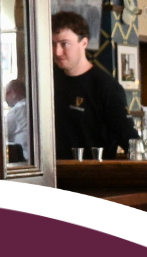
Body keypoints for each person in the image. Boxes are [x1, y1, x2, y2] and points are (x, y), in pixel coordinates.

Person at [51, 11, 133, 158]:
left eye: (65, 44)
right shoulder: (48, 81)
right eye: (53, 44)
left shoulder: (105, 87)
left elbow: (130, 141)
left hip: (93, 175)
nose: (57, 52)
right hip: (54, 174)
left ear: (84, 43)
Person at [2, 79, 31, 164]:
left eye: (7, 93)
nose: (4, 99)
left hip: (24, 159)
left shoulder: (17, 110)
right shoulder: (33, 106)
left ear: (13, 93)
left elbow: (0, 133)